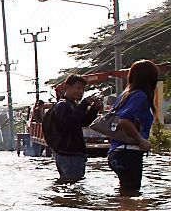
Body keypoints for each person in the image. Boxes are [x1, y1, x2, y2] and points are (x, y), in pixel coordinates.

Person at [108, 59, 158, 194]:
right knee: (132, 195)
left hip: (115, 152)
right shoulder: (140, 96)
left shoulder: (124, 95)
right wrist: (141, 140)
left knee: (125, 193)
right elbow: (124, 121)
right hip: (128, 153)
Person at [47, 75, 102, 182]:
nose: (81, 92)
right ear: (68, 87)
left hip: (73, 153)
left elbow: (82, 122)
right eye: (78, 88)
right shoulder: (62, 105)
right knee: (71, 183)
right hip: (68, 153)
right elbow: (68, 124)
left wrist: (94, 109)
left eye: (83, 89)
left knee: (73, 186)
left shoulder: (72, 105)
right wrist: (84, 104)